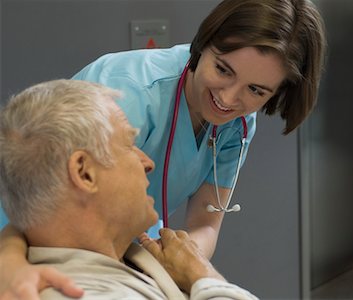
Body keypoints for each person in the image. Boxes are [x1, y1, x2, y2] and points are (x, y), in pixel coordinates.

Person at [0, 0, 326, 297]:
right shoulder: (127, 95)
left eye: (256, 90)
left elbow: (206, 223)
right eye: (223, 70)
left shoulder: (239, 123)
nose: (228, 99)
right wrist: (9, 262)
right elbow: (31, 196)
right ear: (204, 44)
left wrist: (183, 267)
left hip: (134, 251)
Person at [0, 79, 259, 300]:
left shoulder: (123, 261)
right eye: (129, 144)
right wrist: (204, 276)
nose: (148, 162)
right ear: (84, 172)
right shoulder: (81, 292)